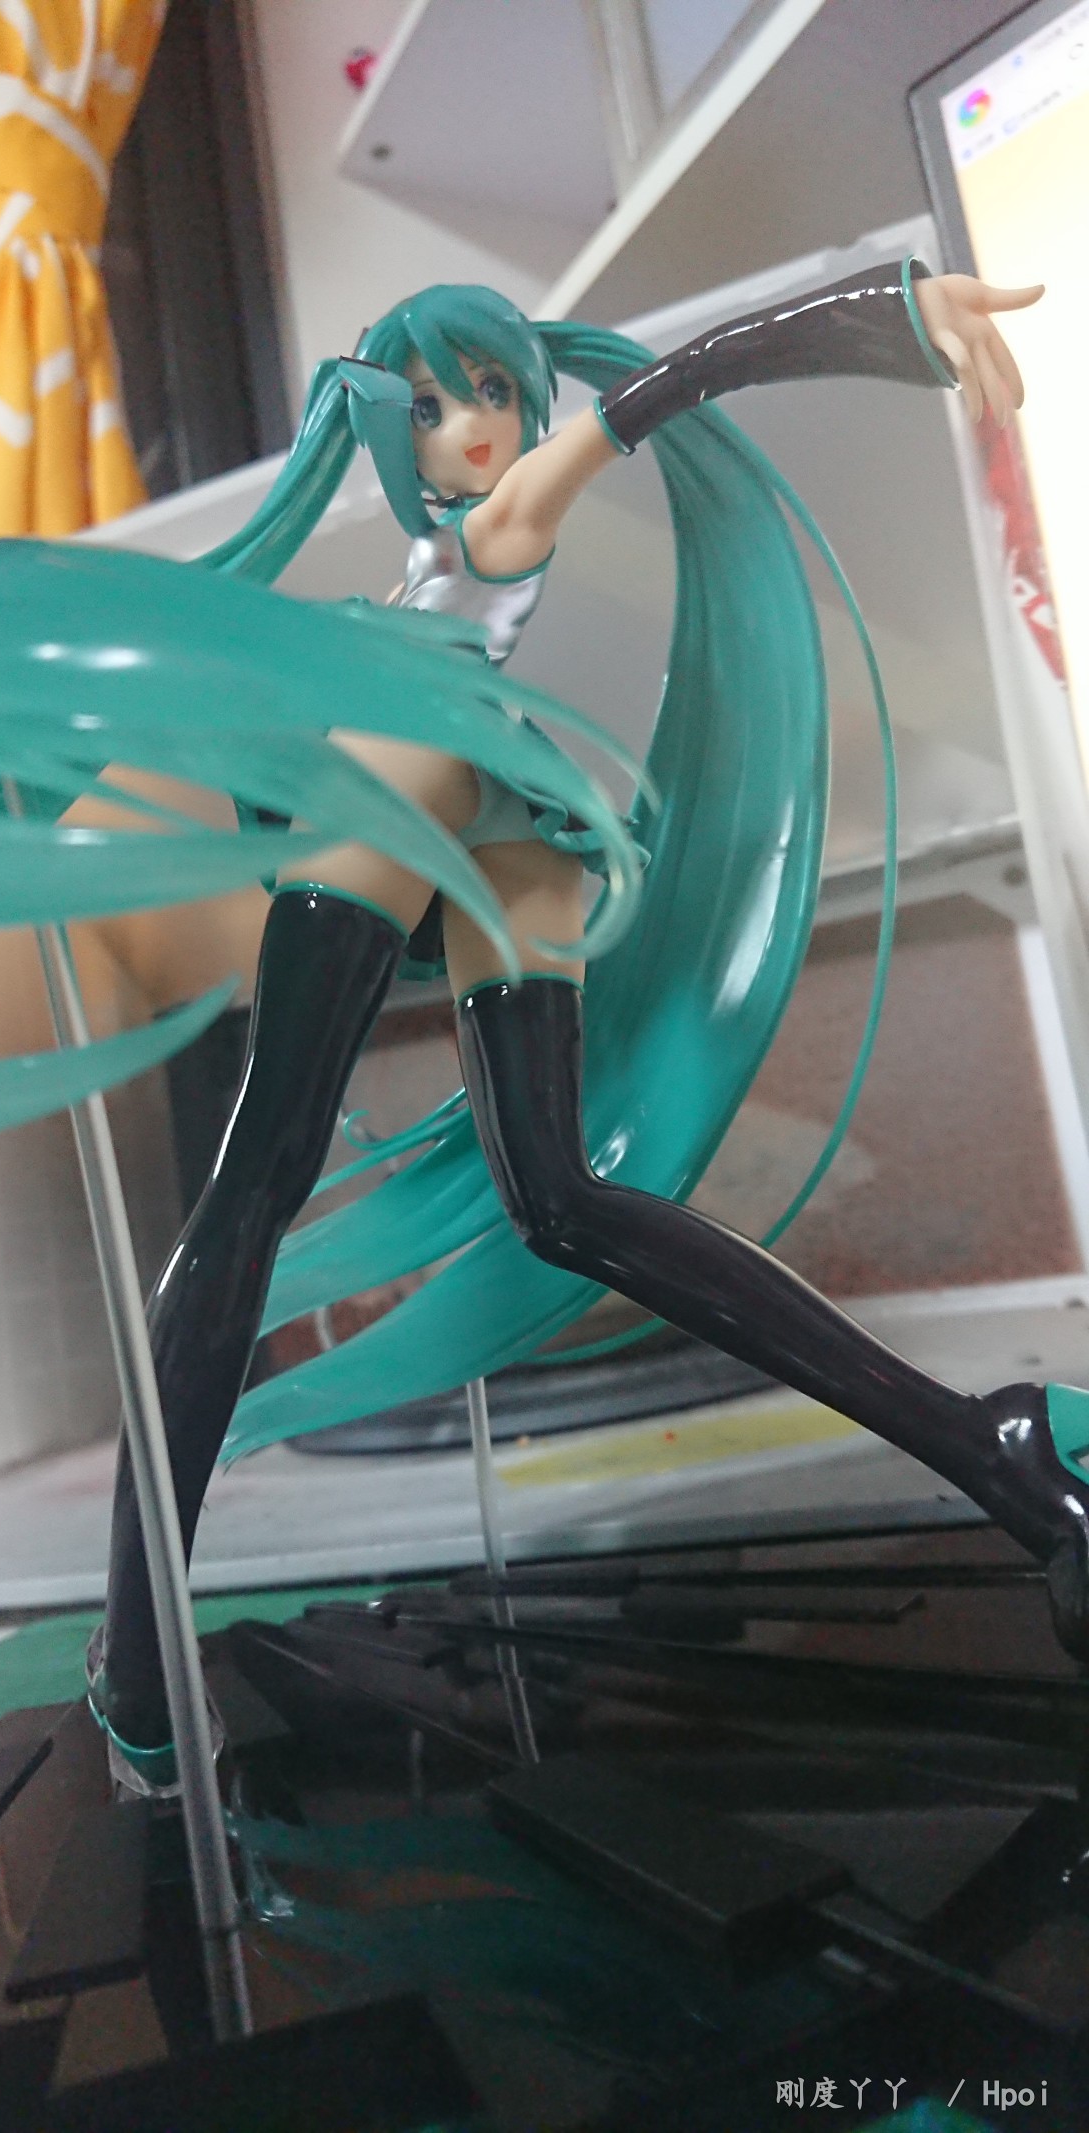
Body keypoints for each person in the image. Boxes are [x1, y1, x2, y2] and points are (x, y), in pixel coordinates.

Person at [55, 257, 1089, 1791]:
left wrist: (881, 318)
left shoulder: (506, 515)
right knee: (560, 1202)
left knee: (261, 1184)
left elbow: (672, 383)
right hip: (510, 812)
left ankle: (138, 1656)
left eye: (493, 392)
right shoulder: (427, 566)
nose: (472, 426)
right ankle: (997, 1445)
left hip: (434, 775)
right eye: (431, 403)